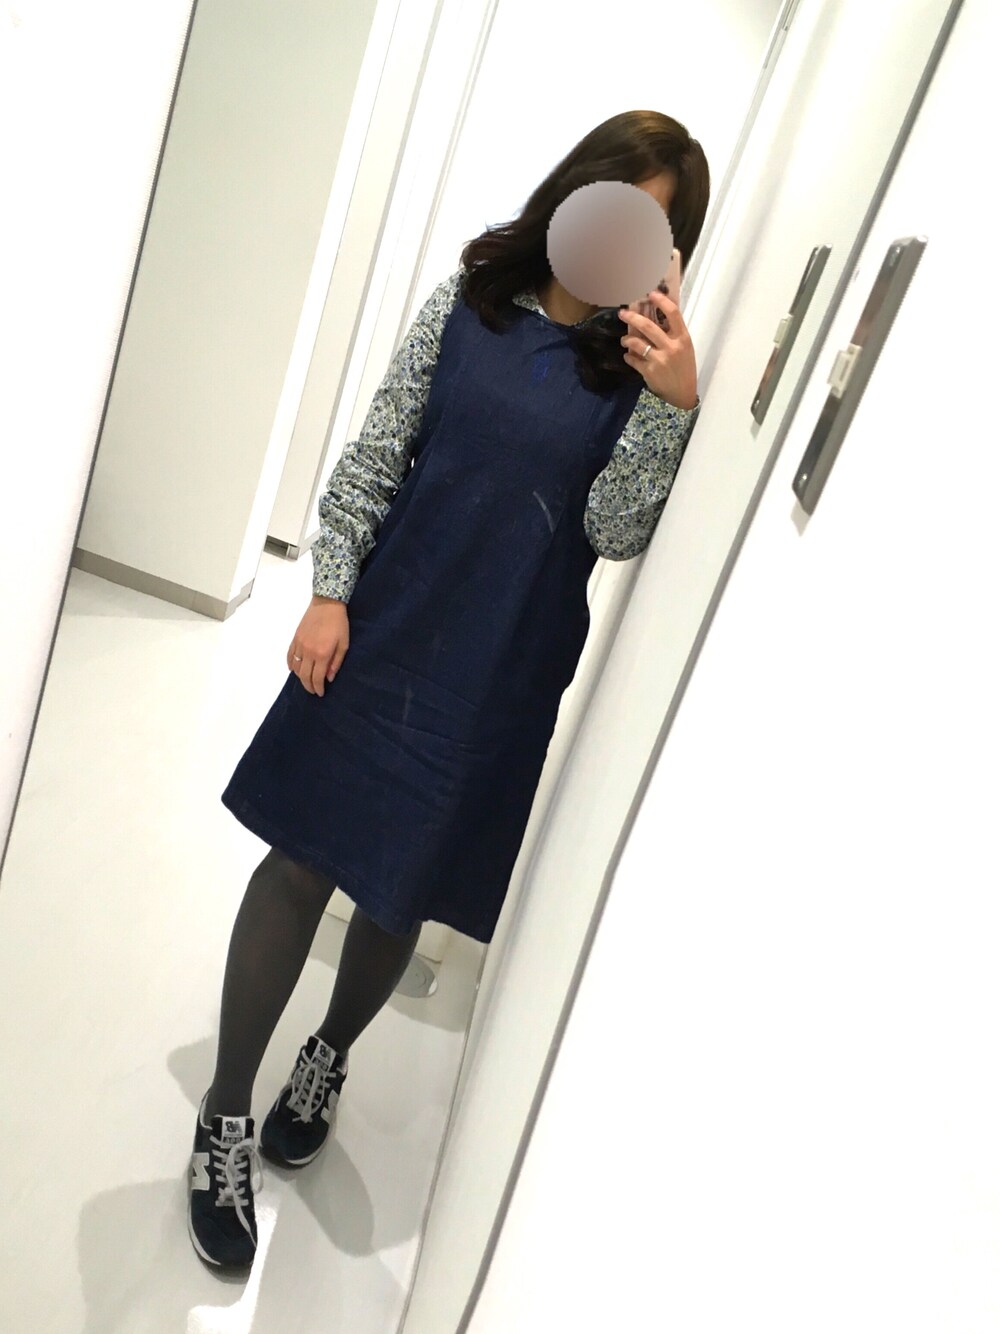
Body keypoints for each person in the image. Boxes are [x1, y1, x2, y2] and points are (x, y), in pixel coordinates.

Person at [187, 109, 710, 1272]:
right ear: (572, 194)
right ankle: (223, 1112)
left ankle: (327, 1053)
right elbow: (378, 450)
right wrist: (330, 588)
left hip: (501, 673)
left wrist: (672, 407)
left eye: (651, 226)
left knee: (398, 891)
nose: (619, 237)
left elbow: (614, 529)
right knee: (297, 863)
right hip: (387, 628)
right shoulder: (469, 303)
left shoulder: (639, 377)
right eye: (612, 203)